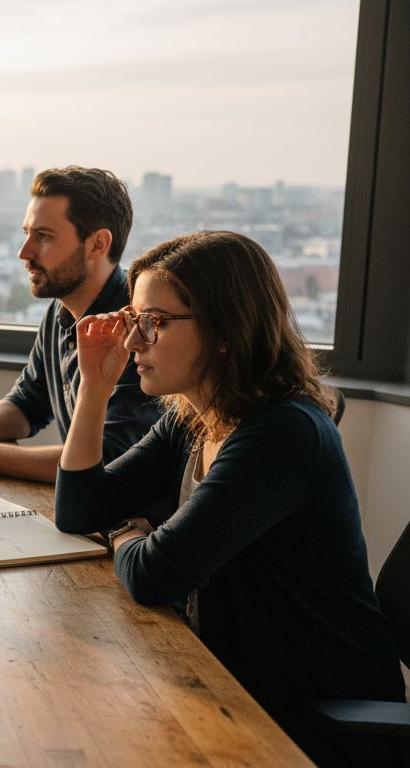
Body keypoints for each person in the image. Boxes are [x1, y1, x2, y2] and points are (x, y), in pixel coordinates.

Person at [55, 231, 404, 766]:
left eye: (156, 322)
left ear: (223, 330)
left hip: (313, 720)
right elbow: (79, 510)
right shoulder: (191, 417)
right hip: (232, 682)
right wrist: (94, 390)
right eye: (134, 319)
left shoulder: (283, 433)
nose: (132, 342)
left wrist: (128, 533)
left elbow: (154, 574)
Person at [0, 166, 160, 482]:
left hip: (134, 523)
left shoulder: (137, 329)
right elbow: (28, 403)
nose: (24, 253)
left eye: (43, 236)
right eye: (27, 233)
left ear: (97, 244)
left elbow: (108, 458)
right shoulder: (61, 310)